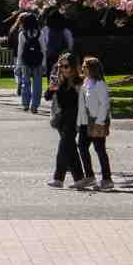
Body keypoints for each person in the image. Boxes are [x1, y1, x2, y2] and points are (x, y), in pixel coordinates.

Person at [46, 57, 88, 189]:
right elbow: (46, 96)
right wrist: (52, 88)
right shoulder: (58, 80)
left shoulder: (79, 81)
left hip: (74, 118)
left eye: (66, 66)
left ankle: (58, 178)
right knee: (70, 148)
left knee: (64, 146)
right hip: (61, 118)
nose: (63, 69)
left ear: (73, 67)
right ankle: (79, 179)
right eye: (61, 66)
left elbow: (82, 102)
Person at [79, 57, 114, 190]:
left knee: (99, 149)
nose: (82, 69)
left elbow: (105, 105)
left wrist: (99, 123)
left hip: (97, 120)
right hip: (86, 120)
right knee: (82, 146)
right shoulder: (86, 82)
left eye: (85, 67)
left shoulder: (100, 84)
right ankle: (89, 176)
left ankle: (107, 179)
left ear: (92, 69)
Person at [13, 11, 48, 113]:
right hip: (38, 62)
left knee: (25, 84)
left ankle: (25, 104)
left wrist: (18, 65)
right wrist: (44, 64)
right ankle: (35, 106)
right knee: (37, 85)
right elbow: (43, 49)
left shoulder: (22, 34)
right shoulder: (40, 33)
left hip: (25, 62)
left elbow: (20, 51)